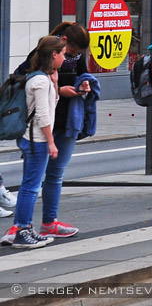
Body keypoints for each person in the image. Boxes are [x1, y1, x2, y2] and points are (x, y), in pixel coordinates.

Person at [12, 21, 91, 240]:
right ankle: (21, 228)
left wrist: (81, 86)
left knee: (52, 176)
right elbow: (39, 106)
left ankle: (45, 222)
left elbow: (81, 76)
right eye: (69, 53)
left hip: (64, 119)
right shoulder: (41, 58)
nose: (69, 58)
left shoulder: (69, 60)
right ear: (61, 46)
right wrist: (50, 141)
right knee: (32, 182)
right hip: (41, 129)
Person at [1, 36, 65, 249]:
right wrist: (51, 142)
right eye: (63, 53)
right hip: (36, 140)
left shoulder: (43, 78)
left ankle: (24, 228)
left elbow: (51, 103)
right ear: (53, 55)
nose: (64, 58)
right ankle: (21, 230)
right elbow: (43, 116)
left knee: (30, 184)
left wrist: (55, 84)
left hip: (35, 139)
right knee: (30, 186)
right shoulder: (38, 81)